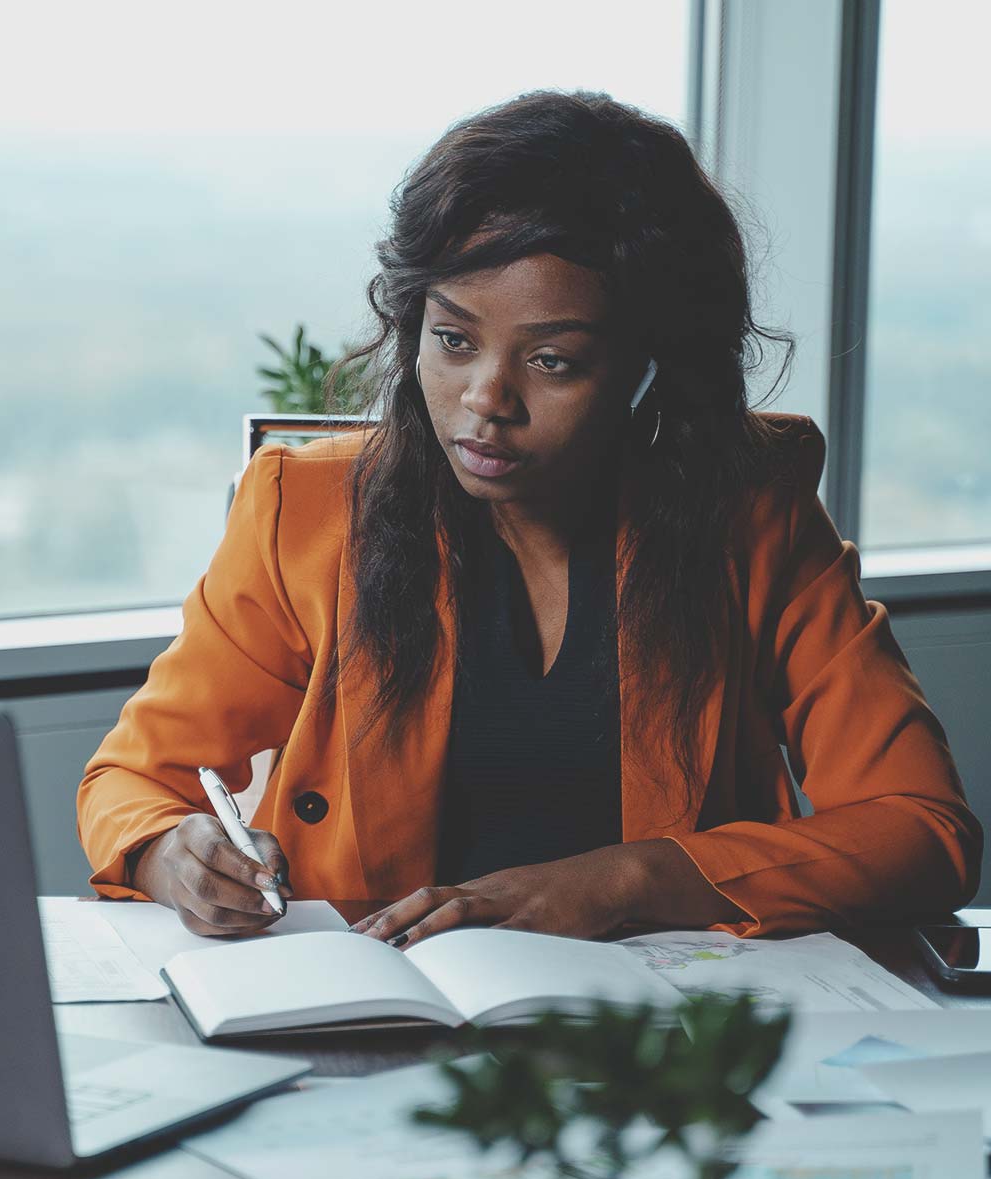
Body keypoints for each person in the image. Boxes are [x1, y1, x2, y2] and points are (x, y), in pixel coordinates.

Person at [76, 89, 981, 946]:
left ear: (649, 367)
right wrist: (169, 854)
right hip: (373, 1007)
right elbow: (132, 780)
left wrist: (622, 882)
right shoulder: (304, 512)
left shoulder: (752, 515)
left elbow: (923, 830)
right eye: (453, 340)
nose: (484, 401)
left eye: (551, 362)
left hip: (655, 1039)